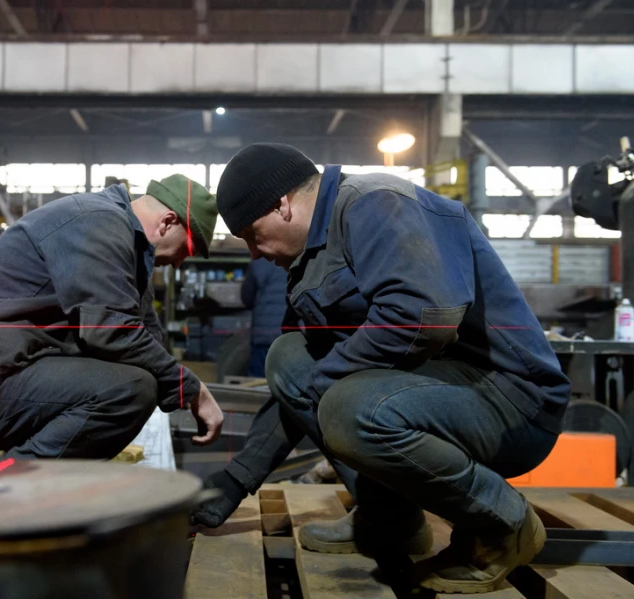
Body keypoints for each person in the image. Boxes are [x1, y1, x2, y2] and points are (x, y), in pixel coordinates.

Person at [193, 144, 570, 594]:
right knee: (288, 356)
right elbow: (300, 384)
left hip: (510, 401)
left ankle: (503, 524)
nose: (253, 253)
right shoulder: (312, 254)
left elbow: (423, 317)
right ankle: (389, 518)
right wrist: (237, 479)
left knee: (348, 407)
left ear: (283, 204)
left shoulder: (376, 201)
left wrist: (329, 380)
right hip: (438, 392)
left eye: (252, 234)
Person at [0, 174, 224, 461]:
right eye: (188, 249)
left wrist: (177, 381)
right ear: (168, 222)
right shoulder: (96, 221)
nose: (181, 261)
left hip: (7, 371)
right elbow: (109, 331)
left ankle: (8, 480)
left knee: (140, 381)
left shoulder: (131, 249)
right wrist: (192, 390)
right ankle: (5, 493)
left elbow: (145, 337)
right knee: (130, 391)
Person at [241, 257, 287, 377]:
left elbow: (246, 297)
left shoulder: (259, 260)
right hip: (291, 337)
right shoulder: (300, 256)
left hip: (263, 336)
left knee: (258, 384)